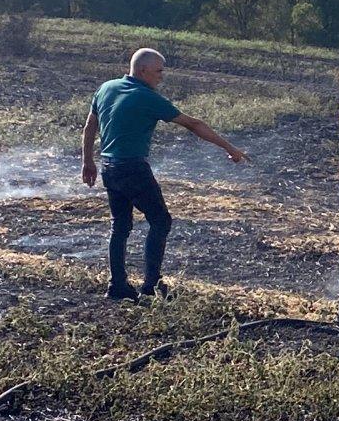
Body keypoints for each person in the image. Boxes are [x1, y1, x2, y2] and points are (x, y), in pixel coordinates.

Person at [81, 48, 248, 300]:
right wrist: (230, 147)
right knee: (160, 221)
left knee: (121, 225)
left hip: (109, 167)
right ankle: (151, 286)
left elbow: (90, 125)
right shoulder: (147, 97)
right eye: (158, 71)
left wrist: (88, 162)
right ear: (142, 70)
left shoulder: (107, 88)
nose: (162, 77)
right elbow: (193, 124)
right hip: (133, 168)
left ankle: (117, 286)